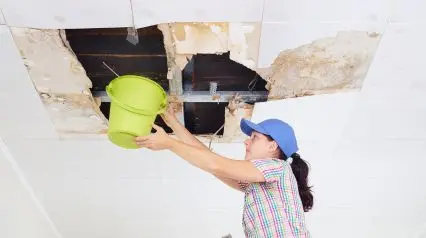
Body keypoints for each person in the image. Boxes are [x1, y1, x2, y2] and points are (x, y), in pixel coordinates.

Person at [135, 106, 313, 238]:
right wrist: (173, 123)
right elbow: (209, 160)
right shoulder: (256, 183)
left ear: (272, 146)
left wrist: (170, 143)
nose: (246, 142)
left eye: (255, 137)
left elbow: (214, 164)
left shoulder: (277, 168)